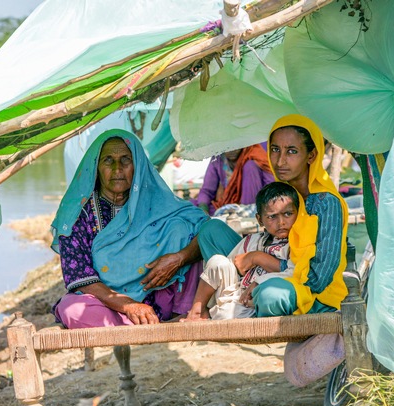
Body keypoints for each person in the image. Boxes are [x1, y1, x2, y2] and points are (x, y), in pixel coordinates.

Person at [147, 114, 349, 387]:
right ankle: (220, 304)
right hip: (267, 270)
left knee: (271, 294)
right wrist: (253, 263)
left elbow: (321, 276)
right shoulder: (283, 194)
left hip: (309, 293)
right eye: (275, 149)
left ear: (311, 155)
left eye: (292, 151)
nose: (280, 160)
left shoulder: (325, 203)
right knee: (211, 230)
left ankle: (248, 305)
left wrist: (266, 273)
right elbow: (265, 238)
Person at [51, 129, 209, 329]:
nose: (117, 169)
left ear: (138, 166)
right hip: (106, 303)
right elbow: (79, 277)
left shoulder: (157, 204)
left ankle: (177, 315)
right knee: (72, 309)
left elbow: (206, 229)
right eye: (108, 160)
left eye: (126, 159)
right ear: (96, 167)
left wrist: (180, 258)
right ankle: (138, 325)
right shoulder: (76, 215)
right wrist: (129, 305)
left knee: (185, 228)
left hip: (159, 301)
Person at [184, 182, 299, 321]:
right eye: (272, 216)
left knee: (226, 315)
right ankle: (198, 310)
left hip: (256, 303)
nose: (281, 222)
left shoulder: (297, 244)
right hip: (236, 294)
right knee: (218, 261)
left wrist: (257, 262)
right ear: (260, 220)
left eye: (288, 214)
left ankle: (212, 315)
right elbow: (233, 265)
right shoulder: (252, 240)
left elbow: (295, 272)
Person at [194, 144, 274, 215]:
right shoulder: (218, 158)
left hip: (252, 206)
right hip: (229, 205)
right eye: (227, 147)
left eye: (235, 145)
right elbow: (207, 190)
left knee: (250, 166)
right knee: (191, 206)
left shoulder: (253, 153)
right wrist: (203, 208)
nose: (232, 150)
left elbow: (271, 186)